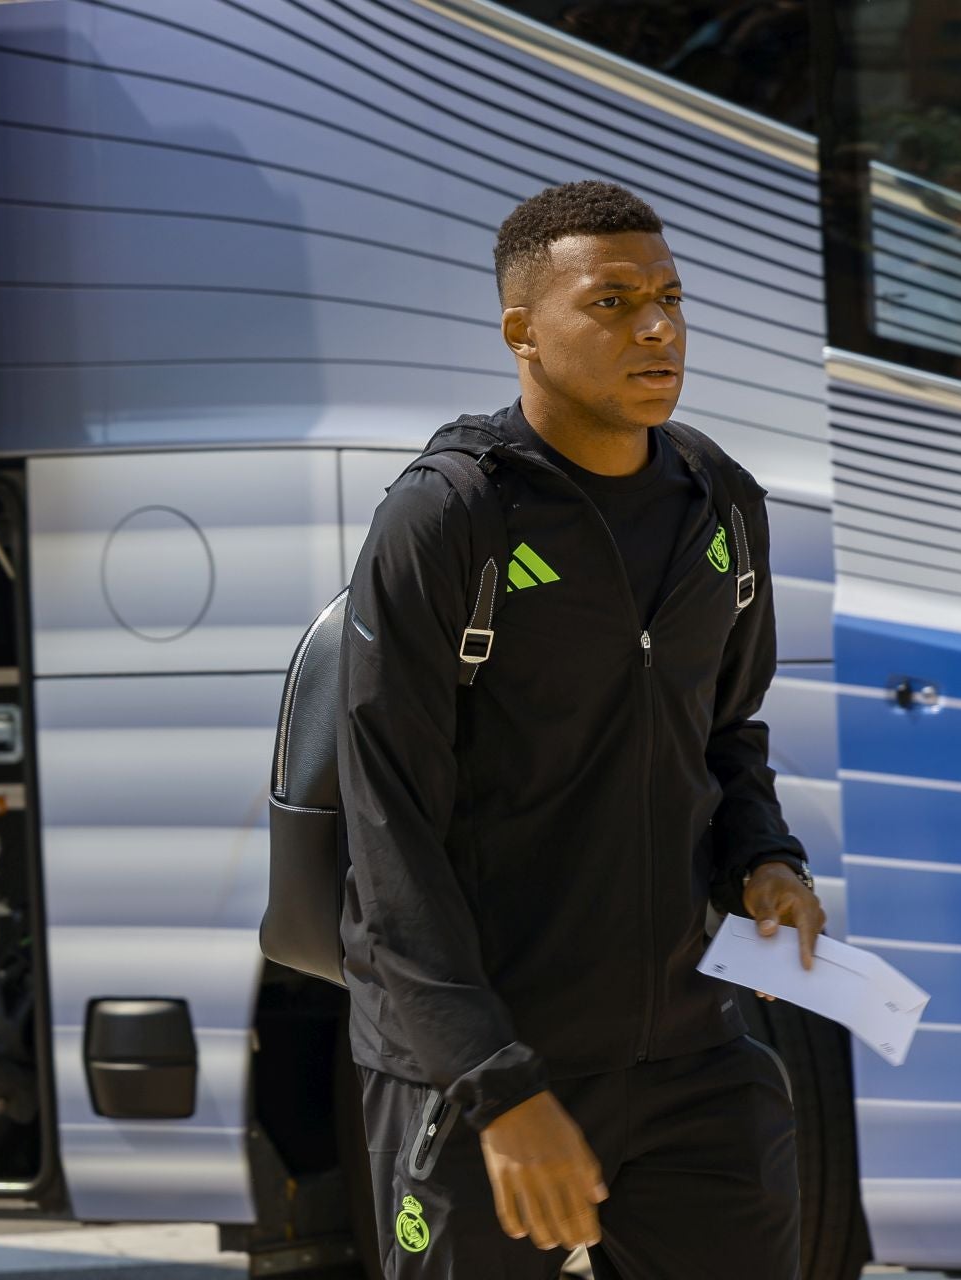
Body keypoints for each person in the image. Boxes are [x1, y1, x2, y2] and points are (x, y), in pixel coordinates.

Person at [336, 179, 823, 1279]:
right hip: (482, 1073)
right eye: (610, 303)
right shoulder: (449, 517)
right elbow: (388, 831)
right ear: (523, 332)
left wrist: (766, 858)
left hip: (695, 1055)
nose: (657, 326)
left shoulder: (721, 501)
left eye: (669, 297)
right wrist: (497, 1088)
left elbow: (725, 731)